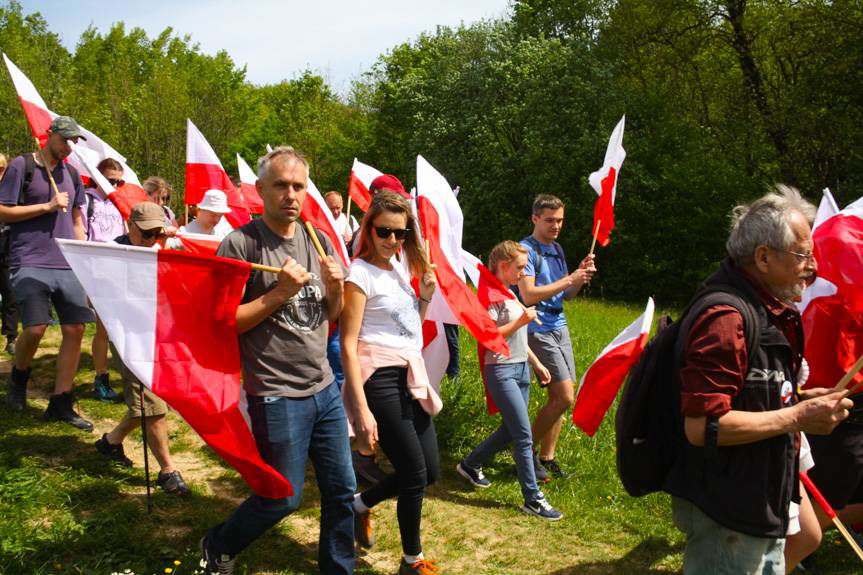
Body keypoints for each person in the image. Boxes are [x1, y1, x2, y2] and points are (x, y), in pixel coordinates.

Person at [664, 185, 852, 575]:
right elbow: (703, 425)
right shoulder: (726, 319)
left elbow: (745, 390)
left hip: (754, 489)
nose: (813, 266)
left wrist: (794, 396)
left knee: (803, 540)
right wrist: (798, 416)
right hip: (730, 504)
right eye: (802, 254)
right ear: (763, 257)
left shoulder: (764, 309)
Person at [201, 147, 354, 575]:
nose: (291, 194)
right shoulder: (240, 243)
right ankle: (219, 543)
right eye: (281, 185)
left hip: (323, 387)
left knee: (342, 490)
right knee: (282, 497)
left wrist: (336, 288)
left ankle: (339, 569)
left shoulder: (316, 238)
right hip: (275, 392)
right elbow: (224, 323)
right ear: (260, 190)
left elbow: (331, 314)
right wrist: (279, 293)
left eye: (299, 186)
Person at [341, 191, 442, 575]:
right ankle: (411, 561)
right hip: (379, 377)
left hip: (409, 373)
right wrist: (361, 409)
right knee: (414, 474)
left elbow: (408, 330)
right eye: (385, 231)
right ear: (369, 228)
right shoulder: (359, 273)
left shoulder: (399, 268)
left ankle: (359, 505)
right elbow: (348, 345)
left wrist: (426, 299)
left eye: (401, 233)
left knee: (429, 471)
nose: (393, 240)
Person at [0, 116, 95, 431]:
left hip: (67, 262)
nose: (69, 147)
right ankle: (19, 378)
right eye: (64, 139)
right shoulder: (21, 166)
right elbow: (3, 210)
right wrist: (46, 206)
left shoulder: (71, 173)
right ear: (49, 134)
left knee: (75, 330)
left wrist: (84, 255)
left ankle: (61, 402)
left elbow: (78, 218)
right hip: (29, 259)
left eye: (73, 142)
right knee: (37, 328)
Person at [456, 240, 562, 520]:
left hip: (520, 369)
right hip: (501, 371)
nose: (523, 272)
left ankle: (470, 464)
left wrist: (536, 363)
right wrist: (520, 321)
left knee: (509, 430)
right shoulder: (489, 294)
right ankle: (533, 498)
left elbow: (516, 338)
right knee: (523, 436)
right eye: (519, 267)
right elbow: (489, 336)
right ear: (503, 266)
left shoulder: (507, 291)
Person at [93, 202, 190, 496]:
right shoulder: (111, 255)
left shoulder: (163, 250)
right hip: (129, 336)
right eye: (146, 234)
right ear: (129, 225)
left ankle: (110, 442)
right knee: (152, 406)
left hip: (159, 334)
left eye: (157, 234)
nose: (151, 240)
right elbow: (97, 299)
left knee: (151, 402)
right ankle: (167, 470)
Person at [517, 194, 595, 479]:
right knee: (564, 397)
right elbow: (528, 294)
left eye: (560, 220)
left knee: (559, 398)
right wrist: (568, 279)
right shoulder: (525, 251)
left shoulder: (558, 249)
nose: (556, 225)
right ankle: (523, 454)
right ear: (535, 218)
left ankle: (546, 457)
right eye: (550, 220)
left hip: (559, 325)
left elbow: (567, 294)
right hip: (537, 327)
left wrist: (580, 276)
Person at [84, 158, 127, 401]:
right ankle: (101, 377)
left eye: (119, 181)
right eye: (111, 180)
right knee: (102, 328)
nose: (115, 185)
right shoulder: (87, 199)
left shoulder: (118, 201)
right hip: (96, 269)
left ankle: (127, 376)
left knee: (118, 328)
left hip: (119, 267)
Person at [0, 152, 19, 356]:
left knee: (9, 293)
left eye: (1, 168)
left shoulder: (14, 189)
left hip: (6, 245)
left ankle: (11, 336)